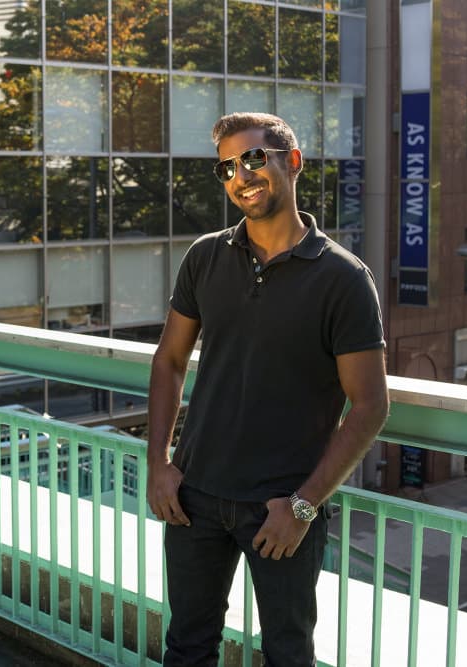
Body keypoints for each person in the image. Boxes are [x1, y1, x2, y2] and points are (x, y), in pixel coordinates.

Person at [145, 113, 389, 666]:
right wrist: (159, 463)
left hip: (281, 508)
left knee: (287, 654)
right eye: (227, 167)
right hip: (194, 497)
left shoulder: (343, 278)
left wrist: (303, 506)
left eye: (254, 158)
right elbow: (170, 360)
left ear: (292, 162)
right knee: (186, 646)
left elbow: (370, 405)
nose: (241, 176)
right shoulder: (205, 256)